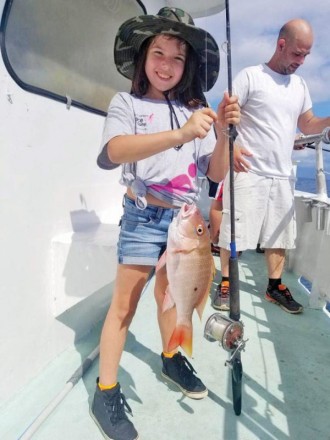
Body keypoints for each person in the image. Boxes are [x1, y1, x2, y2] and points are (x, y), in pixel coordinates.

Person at [92, 7, 240, 440]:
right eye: (158, 52)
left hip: (186, 223)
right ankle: (106, 389)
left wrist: (226, 134)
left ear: (188, 65)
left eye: (178, 57)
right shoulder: (128, 103)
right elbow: (113, 152)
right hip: (143, 216)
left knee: (172, 301)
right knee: (125, 305)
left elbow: (214, 173)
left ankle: (172, 357)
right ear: (142, 56)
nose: (166, 64)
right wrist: (181, 133)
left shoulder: (198, 111)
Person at [213, 18, 330, 314]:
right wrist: (232, 144)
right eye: (297, 54)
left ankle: (274, 286)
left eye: (306, 55)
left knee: (280, 234)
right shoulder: (251, 76)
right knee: (233, 229)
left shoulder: (300, 85)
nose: (302, 61)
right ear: (281, 45)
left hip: (281, 173)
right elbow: (222, 115)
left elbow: (308, 123)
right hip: (247, 170)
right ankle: (226, 281)